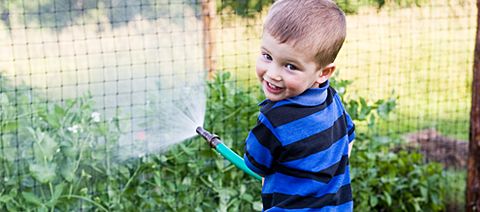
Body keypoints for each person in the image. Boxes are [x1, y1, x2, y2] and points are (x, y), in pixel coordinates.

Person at [243, 0, 356, 211]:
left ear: (323, 72)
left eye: (290, 66)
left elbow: (255, 164)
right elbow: (349, 137)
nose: (272, 74)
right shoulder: (331, 99)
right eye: (267, 56)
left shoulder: (275, 119)